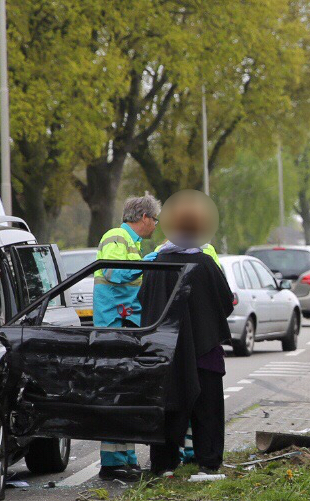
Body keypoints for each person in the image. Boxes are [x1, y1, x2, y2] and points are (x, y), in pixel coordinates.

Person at [143, 191, 234, 479]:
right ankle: (208, 463)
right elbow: (225, 302)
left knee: (168, 408)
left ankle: (164, 465)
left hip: (167, 350)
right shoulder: (205, 264)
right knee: (207, 408)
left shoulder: (157, 263)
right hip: (203, 350)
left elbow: (145, 301)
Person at [93, 193, 159, 480]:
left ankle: (127, 458)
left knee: (126, 393)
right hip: (113, 328)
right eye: (155, 220)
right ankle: (113, 462)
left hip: (124, 327)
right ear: (144, 217)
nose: (156, 225)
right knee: (116, 394)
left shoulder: (131, 243)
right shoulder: (116, 236)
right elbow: (117, 272)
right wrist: (151, 262)